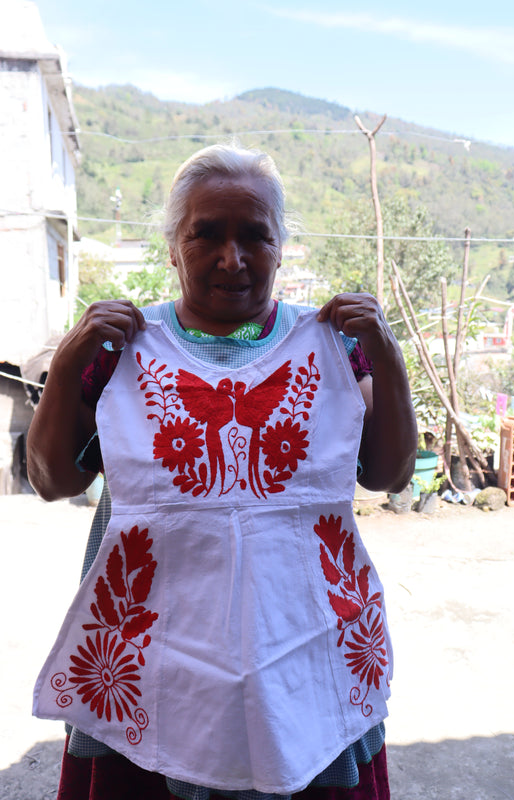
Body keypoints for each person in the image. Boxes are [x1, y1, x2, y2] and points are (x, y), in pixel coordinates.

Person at [27, 143, 417, 800]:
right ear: (173, 247)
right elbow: (52, 481)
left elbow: (389, 475)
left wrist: (385, 353)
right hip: (156, 642)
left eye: (254, 237)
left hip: (299, 633)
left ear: (280, 246)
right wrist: (69, 361)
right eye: (206, 235)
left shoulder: (335, 346)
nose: (231, 258)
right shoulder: (120, 348)